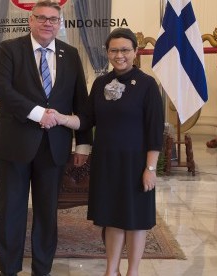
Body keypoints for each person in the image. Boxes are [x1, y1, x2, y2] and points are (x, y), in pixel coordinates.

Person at [0, 1, 92, 275]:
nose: (48, 23)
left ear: (59, 24)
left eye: (53, 19)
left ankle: (42, 269)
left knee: (47, 213)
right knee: (11, 212)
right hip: (14, 145)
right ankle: (8, 269)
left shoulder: (70, 54)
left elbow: (80, 99)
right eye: (42, 18)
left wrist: (83, 142)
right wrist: (37, 114)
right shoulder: (9, 49)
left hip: (54, 147)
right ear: (30, 21)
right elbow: (1, 89)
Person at [50, 28, 164, 276]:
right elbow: (86, 120)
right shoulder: (101, 83)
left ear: (135, 52)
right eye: (114, 50)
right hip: (106, 162)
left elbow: (154, 133)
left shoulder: (147, 85)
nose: (119, 55)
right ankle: (111, 271)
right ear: (107, 53)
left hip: (136, 164)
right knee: (112, 218)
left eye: (125, 49)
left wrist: (150, 169)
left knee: (135, 221)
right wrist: (60, 118)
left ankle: (132, 272)